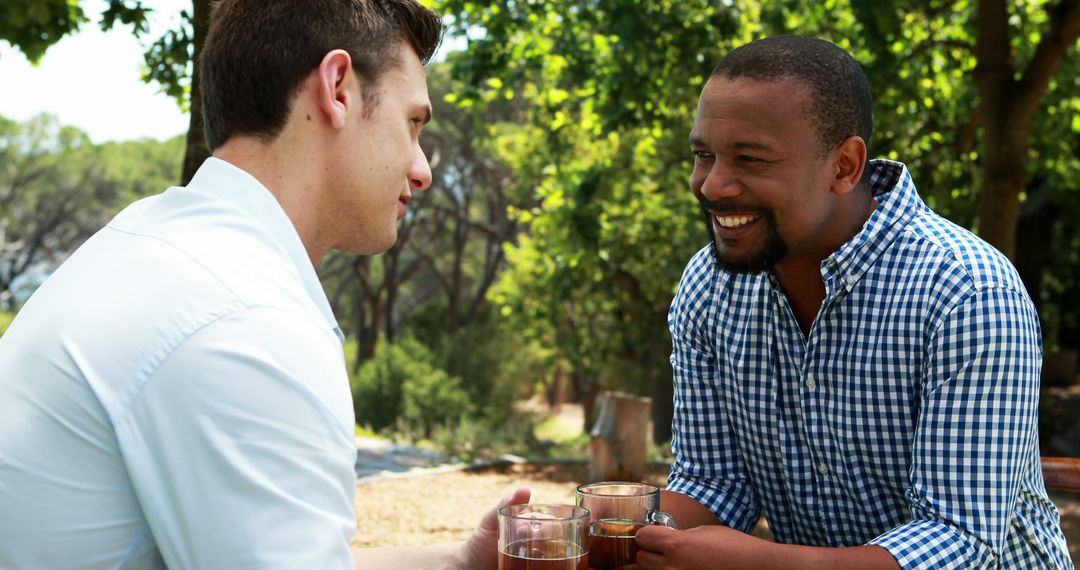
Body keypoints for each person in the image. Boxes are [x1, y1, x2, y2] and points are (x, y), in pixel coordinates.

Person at [0, 0, 529, 568]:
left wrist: (464, 561)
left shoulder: (148, 243)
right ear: (338, 89)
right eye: (413, 124)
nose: (422, 169)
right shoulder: (244, 318)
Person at [635, 36, 1072, 569]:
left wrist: (764, 564)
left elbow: (959, 542)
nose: (713, 185)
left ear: (844, 166)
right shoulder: (710, 285)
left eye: (749, 158)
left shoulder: (967, 292)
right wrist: (574, 534)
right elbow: (714, 482)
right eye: (704, 155)